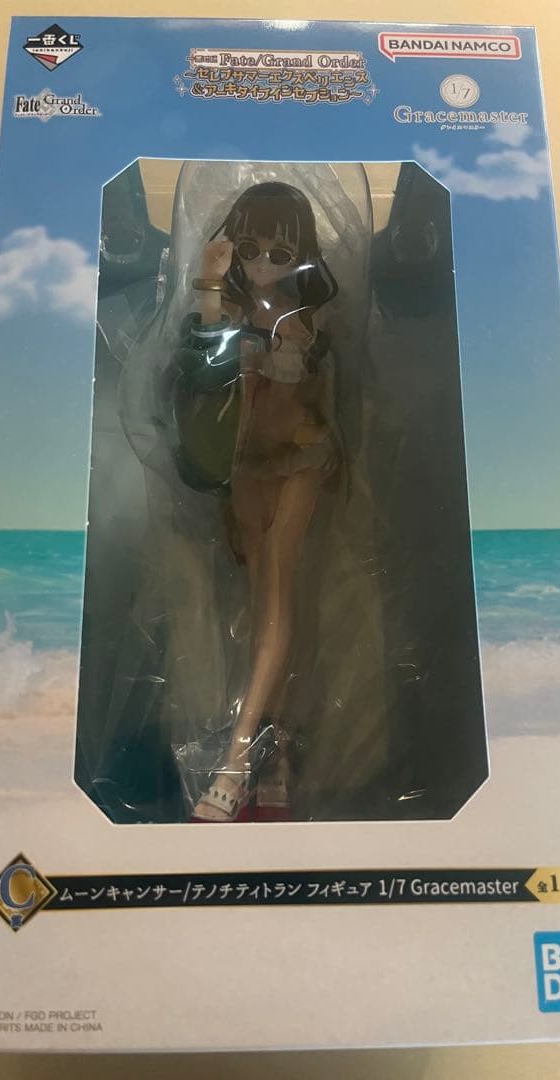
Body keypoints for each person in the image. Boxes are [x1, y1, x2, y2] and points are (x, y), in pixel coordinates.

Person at [187, 181, 340, 820]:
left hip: (299, 460)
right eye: (250, 249)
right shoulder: (228, 310)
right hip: (243, 467)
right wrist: (209, 279)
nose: (262, 264)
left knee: (275, 598)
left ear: (302, 255)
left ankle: (235, 759)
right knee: (260, 608)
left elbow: (324, 397)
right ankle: (275, 756)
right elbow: (205, 367)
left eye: (281, 253)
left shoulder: (310, 321)